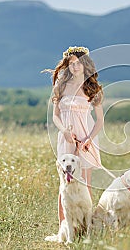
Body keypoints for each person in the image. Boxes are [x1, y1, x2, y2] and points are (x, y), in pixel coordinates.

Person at [50, 46, 104, 224]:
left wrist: (88, 139)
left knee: (85, 181)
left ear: (85, 64)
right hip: (66, 137)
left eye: (79, 63)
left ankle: (85, 225)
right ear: (67, 66)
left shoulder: (92, 88)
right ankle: (63, 226)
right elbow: (55, 116)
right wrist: (64, 131)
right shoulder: (61, 86)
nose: (75, 66)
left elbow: (99, 121)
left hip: (86, 137)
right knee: (65, 181)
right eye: (71, 63)